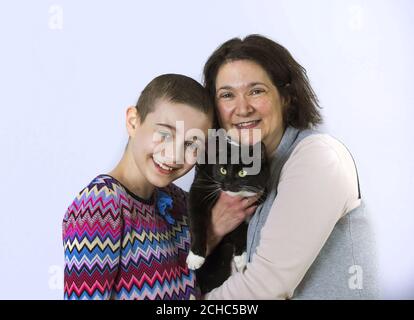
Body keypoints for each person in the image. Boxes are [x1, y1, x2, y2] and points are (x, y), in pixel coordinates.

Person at [202, 35, 380, 299]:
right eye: (227, 95)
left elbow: (264, 287)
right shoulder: (254, 172)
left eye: (256, 91)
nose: (242, 108)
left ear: (286, 97)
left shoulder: (317, 157)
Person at [62, 74, 215, 299]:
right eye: (164, 134)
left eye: (192, 144)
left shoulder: (179, 201)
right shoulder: (100, 206)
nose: (174, 155)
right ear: (133, 122)